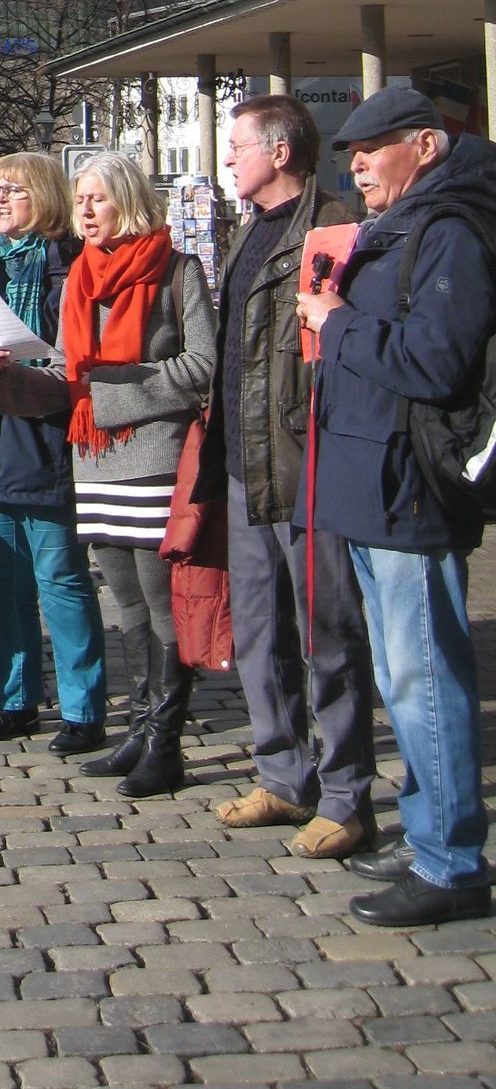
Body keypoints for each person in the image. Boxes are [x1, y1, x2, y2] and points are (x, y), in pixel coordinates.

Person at [298, 84, 496, 927]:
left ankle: (452, 863)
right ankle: (427, 836)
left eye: (371, 149)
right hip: (370, 482)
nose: (357, 166)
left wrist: (337, 323)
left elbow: (436, 363)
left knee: (423, 681)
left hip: (409, 487)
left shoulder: (450, 229)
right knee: (400, 676)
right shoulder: (401, 225)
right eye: (350, 152)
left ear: (423, 145)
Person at [194, 96, 376, 861]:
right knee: (262, 634)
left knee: (329, 635)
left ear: (278, 151)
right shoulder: (247, 232)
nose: (227, 158)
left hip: (307, 467)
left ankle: (346, 796)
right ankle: (283, 775)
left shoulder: (334, 228)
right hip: (245, 467)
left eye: (237, 145)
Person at [46, 152, 214, 800]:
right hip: (93, 457)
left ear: (128, 200)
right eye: (80, 199)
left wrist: (114, 388)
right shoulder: (80, 274)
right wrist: (18, 369)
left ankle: (166, 743)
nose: (85, 211)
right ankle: (140, 730)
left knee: (161, 602)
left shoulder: (177, 269)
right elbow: (67, 364)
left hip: (154, 457)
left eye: (98, 198)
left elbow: (203, 365)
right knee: (126, 603)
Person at [0, 153, 107, 756]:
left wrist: (22, 362)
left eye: (14, 189)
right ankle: (13, 698)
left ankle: (83, 709)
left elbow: (79, 357)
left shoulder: (68, 267)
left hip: (46, 438)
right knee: (4, 581)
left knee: (61, 580)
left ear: (43, 196)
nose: (0, 198)